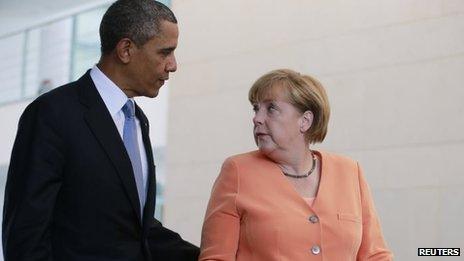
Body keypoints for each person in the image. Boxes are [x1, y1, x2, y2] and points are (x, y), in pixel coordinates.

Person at [2, 1, 199, 260]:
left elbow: (140, 231)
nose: (172, 65)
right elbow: (25, 237)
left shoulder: (138, 121)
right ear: (126, 50)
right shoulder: (52, 114)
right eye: (165, 52)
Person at [199, 69, 393, 260]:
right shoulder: (237, 171)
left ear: (305, 121)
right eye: (256, 108)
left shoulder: (350, 172)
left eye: (271, 108)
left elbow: (376, 255)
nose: (257, 118)